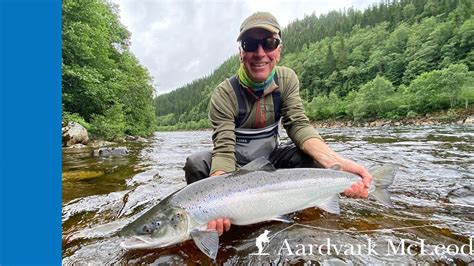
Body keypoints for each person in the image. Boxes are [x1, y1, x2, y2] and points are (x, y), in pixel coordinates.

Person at [183, 12, 371, 236]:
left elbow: (298, 126)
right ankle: (209, 221)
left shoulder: (287, 80)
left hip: (269, 163)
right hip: (234, 167)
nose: (260, 53)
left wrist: (337, 164)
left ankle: (307, 204)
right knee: (196, 163)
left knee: (312, 159)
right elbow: (223, 149)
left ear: (279, 50)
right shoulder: (224, 94)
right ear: (241, 53)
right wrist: (216, 201)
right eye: (250, 44)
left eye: (269, 43)